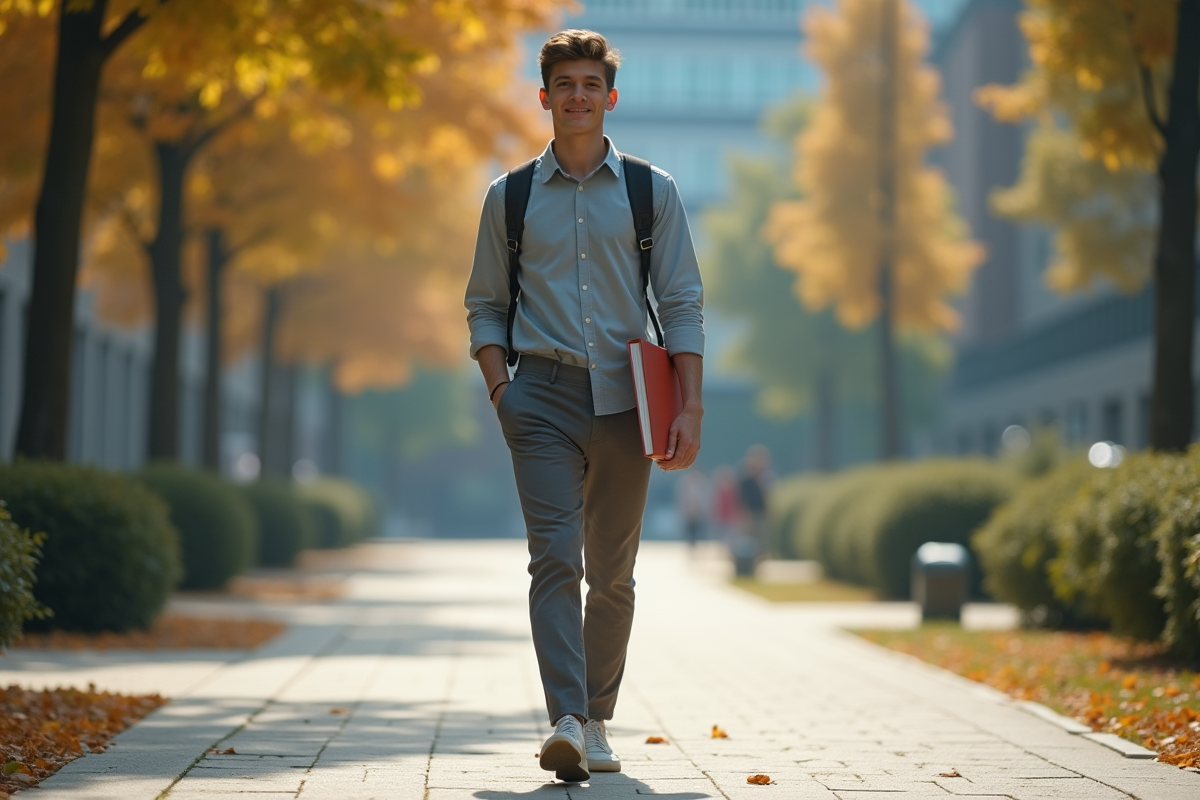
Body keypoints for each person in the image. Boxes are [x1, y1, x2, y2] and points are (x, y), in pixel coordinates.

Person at [463, 29, 704, 783]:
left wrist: (688, 406)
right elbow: (484, 305)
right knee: (553, 560)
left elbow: (683, 301)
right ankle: (566, 718)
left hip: (628, 401)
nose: (577, 96)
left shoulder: (649, 191)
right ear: (544, 97)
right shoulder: (508, 198)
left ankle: (597, 717)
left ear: (610, 97)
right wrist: (503, 390)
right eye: (563, 84)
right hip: (539, 397)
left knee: (615, 572)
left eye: (589, 85)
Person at [674, 468, 709, 550]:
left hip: (699, 513)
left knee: (699, 531)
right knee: (690, 532)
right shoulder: (684, 484)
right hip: (688, 513)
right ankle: (691, 547)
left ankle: (698, 547)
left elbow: (706, 498)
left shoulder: (702, 484)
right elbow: (681, 498)